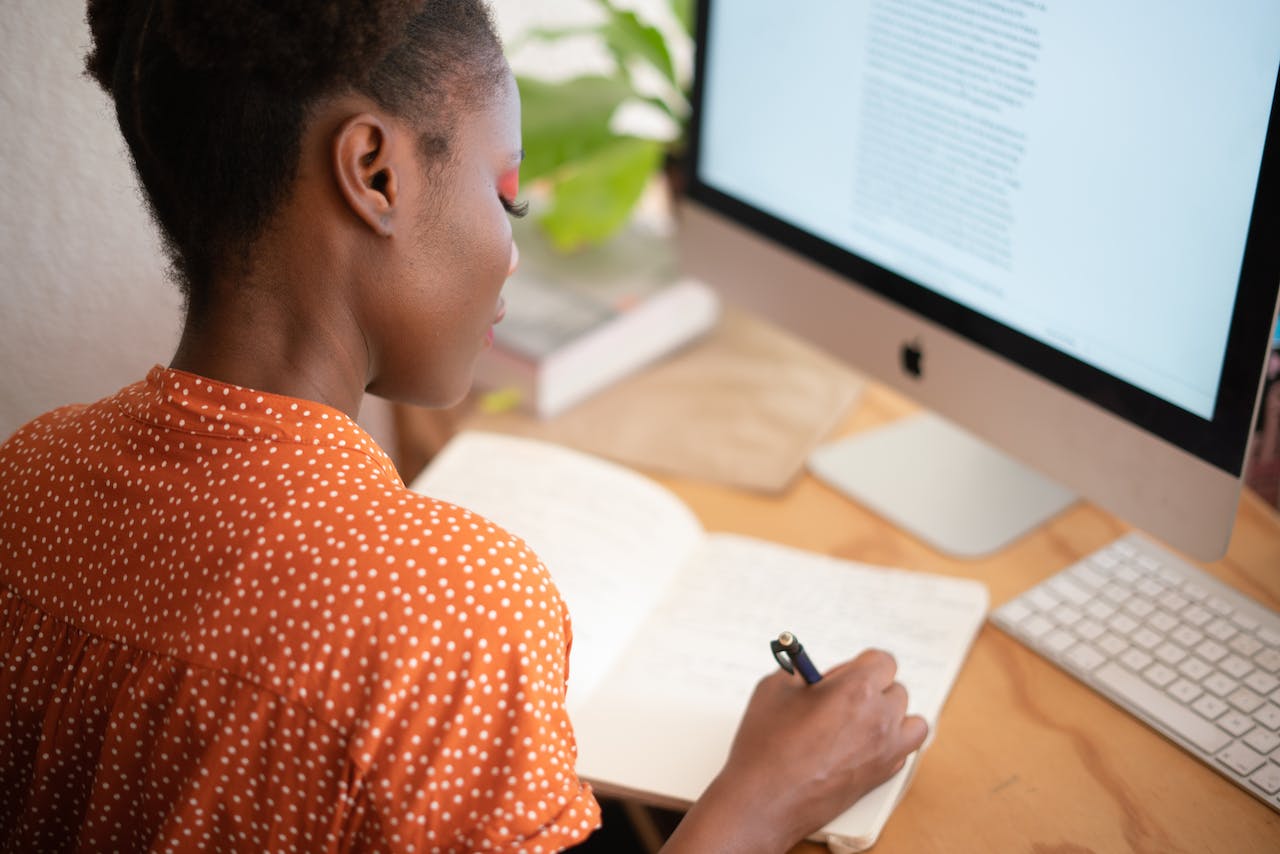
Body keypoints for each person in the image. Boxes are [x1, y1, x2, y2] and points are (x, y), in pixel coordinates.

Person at [0, 1, 928, 851]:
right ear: (375, 172)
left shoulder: (28, 477)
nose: (512, 251)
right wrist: (765, 796)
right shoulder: (452, 615)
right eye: (506, 194)